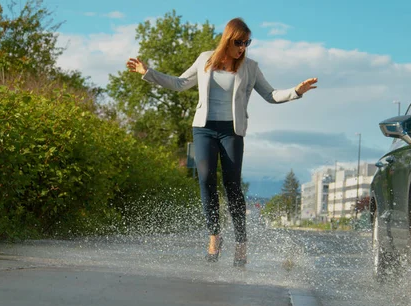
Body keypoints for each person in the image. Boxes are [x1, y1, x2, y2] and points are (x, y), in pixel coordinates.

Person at [126, 17, 317, 267]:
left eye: (247, 42)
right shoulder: (205, 59)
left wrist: (296, 92)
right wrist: (148, 73)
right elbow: (180, 83)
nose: (243, 47)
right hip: (204, 128)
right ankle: (214, 236)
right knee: (206, 179)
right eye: (239, 42)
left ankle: (241, 243)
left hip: (232, 131)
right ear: (228, 39)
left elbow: (270, 95)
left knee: (232, 185)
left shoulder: (250, 67)